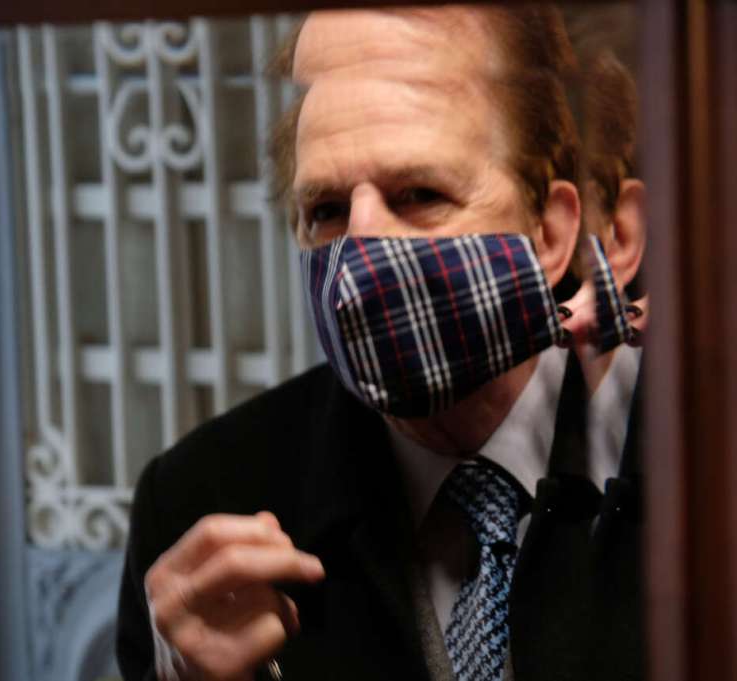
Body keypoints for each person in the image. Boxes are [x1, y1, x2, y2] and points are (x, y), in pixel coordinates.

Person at [114, 5, 641, 681]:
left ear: (550, 233)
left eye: (419, 194)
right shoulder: (204, 500)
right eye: (327, 210)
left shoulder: (697, 464)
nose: (361, 257)